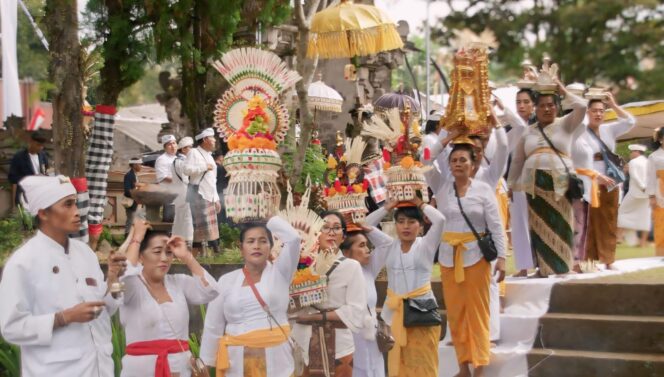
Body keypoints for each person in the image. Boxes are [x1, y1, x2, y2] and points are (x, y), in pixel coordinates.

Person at [0, 175, 126, 377]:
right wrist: (64, 318)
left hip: (99, 369)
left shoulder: (85, 254)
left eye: (75, 203)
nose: (77, 212)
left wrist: (113, 280)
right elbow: (11, 328)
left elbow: (103, 311)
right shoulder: (23, 262)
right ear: (43, 213)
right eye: (67, 205)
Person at [437, 144, 507, 377]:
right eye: (454, 160)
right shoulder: (442, 187)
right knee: (456, 313)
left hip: (476, 257)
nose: (458, 164)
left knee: (477, 311)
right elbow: (424, 163)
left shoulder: (483, 189)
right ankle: (462, 366)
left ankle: (479, 365)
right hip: (448, 257)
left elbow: (496, 225)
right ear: (449, 165)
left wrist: (503, 258)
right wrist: (443, 139)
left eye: (463, 160)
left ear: (474, 164)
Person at [199, 217, 301, 376]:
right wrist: (206, 363)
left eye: (263, 241)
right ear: (242, 248)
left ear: (270, 247)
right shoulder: (227, 281)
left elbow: (294, 239)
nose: (257, 246)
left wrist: (269, 219)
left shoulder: (281, 273)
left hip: (277, 359)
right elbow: (213, 325)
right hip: (236, 362)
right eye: (251, 241)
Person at [119, 220, 218, 377]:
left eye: (168, 252)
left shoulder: (179, 282)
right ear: (141, 257)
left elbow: (211, 291)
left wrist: (187, 257)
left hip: (180, 369)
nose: (164, 258)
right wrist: (136, 239)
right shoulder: (132, 287)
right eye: (157, 252)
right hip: (141, 372)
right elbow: (122, 276)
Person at [508, 81, 587, 276]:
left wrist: (563, 90)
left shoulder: (566, 124)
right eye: (542, 105)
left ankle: (563, 267)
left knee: (561, 224)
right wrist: (511, 184)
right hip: (534, 183)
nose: (547, 109)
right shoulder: (528, 131)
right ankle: (543, 268)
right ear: (536, 107)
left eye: (551, 105)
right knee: (539, 226)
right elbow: (518, 160)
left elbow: (582, 106)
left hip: (560, 182)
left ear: (557, 107)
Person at [363, 197, 445, 377]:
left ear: (421, 225)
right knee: (397, 365)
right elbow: (364, 225)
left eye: (411, 222)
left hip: (422, 315)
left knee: (424, 365)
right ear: (395, 225)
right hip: (393, 316)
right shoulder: (389, 245)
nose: (406, 227)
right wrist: (387, 207)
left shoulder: (426, 245)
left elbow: (440, 220)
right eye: (401, 222)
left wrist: (420, 204)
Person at [291, 211, 367, 377]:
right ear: (316, 233)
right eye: (325, 227)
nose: (331, 232)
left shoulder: (352, 267)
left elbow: (356, 311)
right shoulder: (301, 265)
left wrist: (316, 317)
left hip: (339, 346)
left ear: (343, 236)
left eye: (337, 228)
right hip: (302, 342)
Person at [584, 94, 636, 269]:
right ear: (587, 112)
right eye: (594, 111)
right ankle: (589, 260)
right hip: (590, 180)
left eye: (601, 111)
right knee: (589, 221)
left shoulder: (609, 129)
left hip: (611, 181)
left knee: (609, 220)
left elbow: (630, 121)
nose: (598, 114)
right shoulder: (580, 132)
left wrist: (613, 104)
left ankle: (608, 260)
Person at [339, 231, 389, 377]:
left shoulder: (369, 270)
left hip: (373, 334)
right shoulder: (339, 273)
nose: (368, 250)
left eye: (367, 245)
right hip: (352, 337)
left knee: (376, 370)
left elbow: (387, 243)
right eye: (362, 245)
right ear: (347, 252)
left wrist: (364, 227)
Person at [510, 89, 536, 277]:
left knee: (537, 223)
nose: (521, 106)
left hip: (538, 178)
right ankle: (524, 266)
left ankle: (543, 264)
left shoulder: (540, 126)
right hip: (517, 180)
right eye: (518, 102)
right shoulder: (511, 129)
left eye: (526, 102)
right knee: (519, 223)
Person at [183, 128, 221, 254]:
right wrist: (204, 167)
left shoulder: (209, 156)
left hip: (209, 194)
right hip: (198, 193)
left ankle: (213, 253)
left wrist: (216, 199)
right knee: (201, 226)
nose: (215, 140)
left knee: (211, 226)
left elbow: (212, 181)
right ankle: (205, 253)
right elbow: (186, 170)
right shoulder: (193, 152)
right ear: (205, 139)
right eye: (212, 137)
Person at [618, 144, 651, 247]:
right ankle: (642, 242)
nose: (631, 154)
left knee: (621, 212)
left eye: (632, 152)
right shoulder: (648, 162)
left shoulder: (633, 162)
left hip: (635, 192)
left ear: (636, 152)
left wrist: (642, 186)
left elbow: (635, 176)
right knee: (645, 216)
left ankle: (618, 237)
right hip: (647, 193)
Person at [8, 131, 49, 207]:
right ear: (31, 142)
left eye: (42, 146)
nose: (40, 148)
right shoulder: (19, 157)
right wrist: (31, 178)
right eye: (38, 145)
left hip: (41, 196)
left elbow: (46, 171)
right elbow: (12, 178)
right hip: (24, 196)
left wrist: (46, 175)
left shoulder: (43, 155)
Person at [172, 137, 194, 244]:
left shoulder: (175, 161)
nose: (192, 150)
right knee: (187, 219)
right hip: (185, 193)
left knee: (178, 220)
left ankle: (175, 242)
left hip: (178, 194)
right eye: (190, 147)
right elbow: (187, 179)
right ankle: (188, 244)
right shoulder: (183, 162)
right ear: (184, 149)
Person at [647, 127, 664, 256]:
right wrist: (652, 196)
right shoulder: (654, 156)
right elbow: (650, 177)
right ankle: (661, 251)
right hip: (660, 190)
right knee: (660, 220)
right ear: (661, 139)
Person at [155, 134, 178, 223]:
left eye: (174, 143)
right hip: (169, 197)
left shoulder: (177, 158)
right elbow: (163, 177)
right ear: (165, 147)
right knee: (169, 223)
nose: (173, 146)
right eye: (169, 144)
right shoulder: (162, 159)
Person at [123, 157, 143, 236]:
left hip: (136, 202)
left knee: (135, 222)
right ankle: (126, 240)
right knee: (130, 222)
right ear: (134, 165)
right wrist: (137, 192)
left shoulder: (135, 175)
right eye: (139, 164)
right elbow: (127, 191)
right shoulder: (129, 175)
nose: (141, 166)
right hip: (131, 202)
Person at [214, 151, 229, 225]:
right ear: (220, 158)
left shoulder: (213, 167)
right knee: (223, 211)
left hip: (215, 192)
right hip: (222, 192)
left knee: (218, 211)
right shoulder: (222, 168)